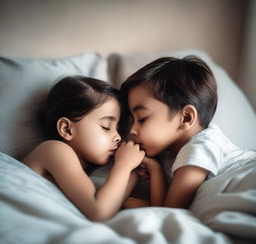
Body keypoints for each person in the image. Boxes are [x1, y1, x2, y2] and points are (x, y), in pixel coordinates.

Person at [120, 56, 256, 209]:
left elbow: (171, 210)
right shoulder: (169, 154)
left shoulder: (201, 145)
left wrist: (144, 204)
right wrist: (155, 168)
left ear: (186, 117)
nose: (132, 130)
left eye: (142, 119)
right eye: (133, 120)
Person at [23, 76, 145, 221]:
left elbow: (110, 205)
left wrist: (133, 173)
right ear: (67, 129)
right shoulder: (54, 150)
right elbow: (99, 213)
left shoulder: (83, 171)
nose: (118, 137)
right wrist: (123, 167)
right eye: (106, 127)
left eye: (118, 129)